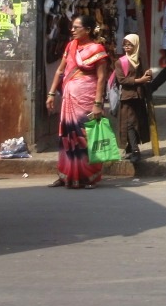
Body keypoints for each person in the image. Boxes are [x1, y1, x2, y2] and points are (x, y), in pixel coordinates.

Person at [45, 14, 109, 189]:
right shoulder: (71, 46)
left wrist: (97, 103)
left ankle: (87, 175)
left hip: (86, 98)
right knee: (67, 135)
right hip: (69, 99)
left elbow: (102, 78)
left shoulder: (97, 49)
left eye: (76, 27)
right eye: (72, 27)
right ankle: (65, 174)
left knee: (84, 136)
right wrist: (51, 93)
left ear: (87, 30)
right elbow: (60, 71)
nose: (72, 30)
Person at [115, 33, 152, 163]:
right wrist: (139, 80)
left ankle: (131, 148)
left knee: (137, 122)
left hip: (139, 96)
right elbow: (121, 80)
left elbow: (145, 76)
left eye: (130, 45)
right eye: (125, 45)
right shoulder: (120, 62)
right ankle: (135, 150)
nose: (127, 47)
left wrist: (147, 75)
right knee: (129, 124)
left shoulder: (140, 60)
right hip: (127, 97)